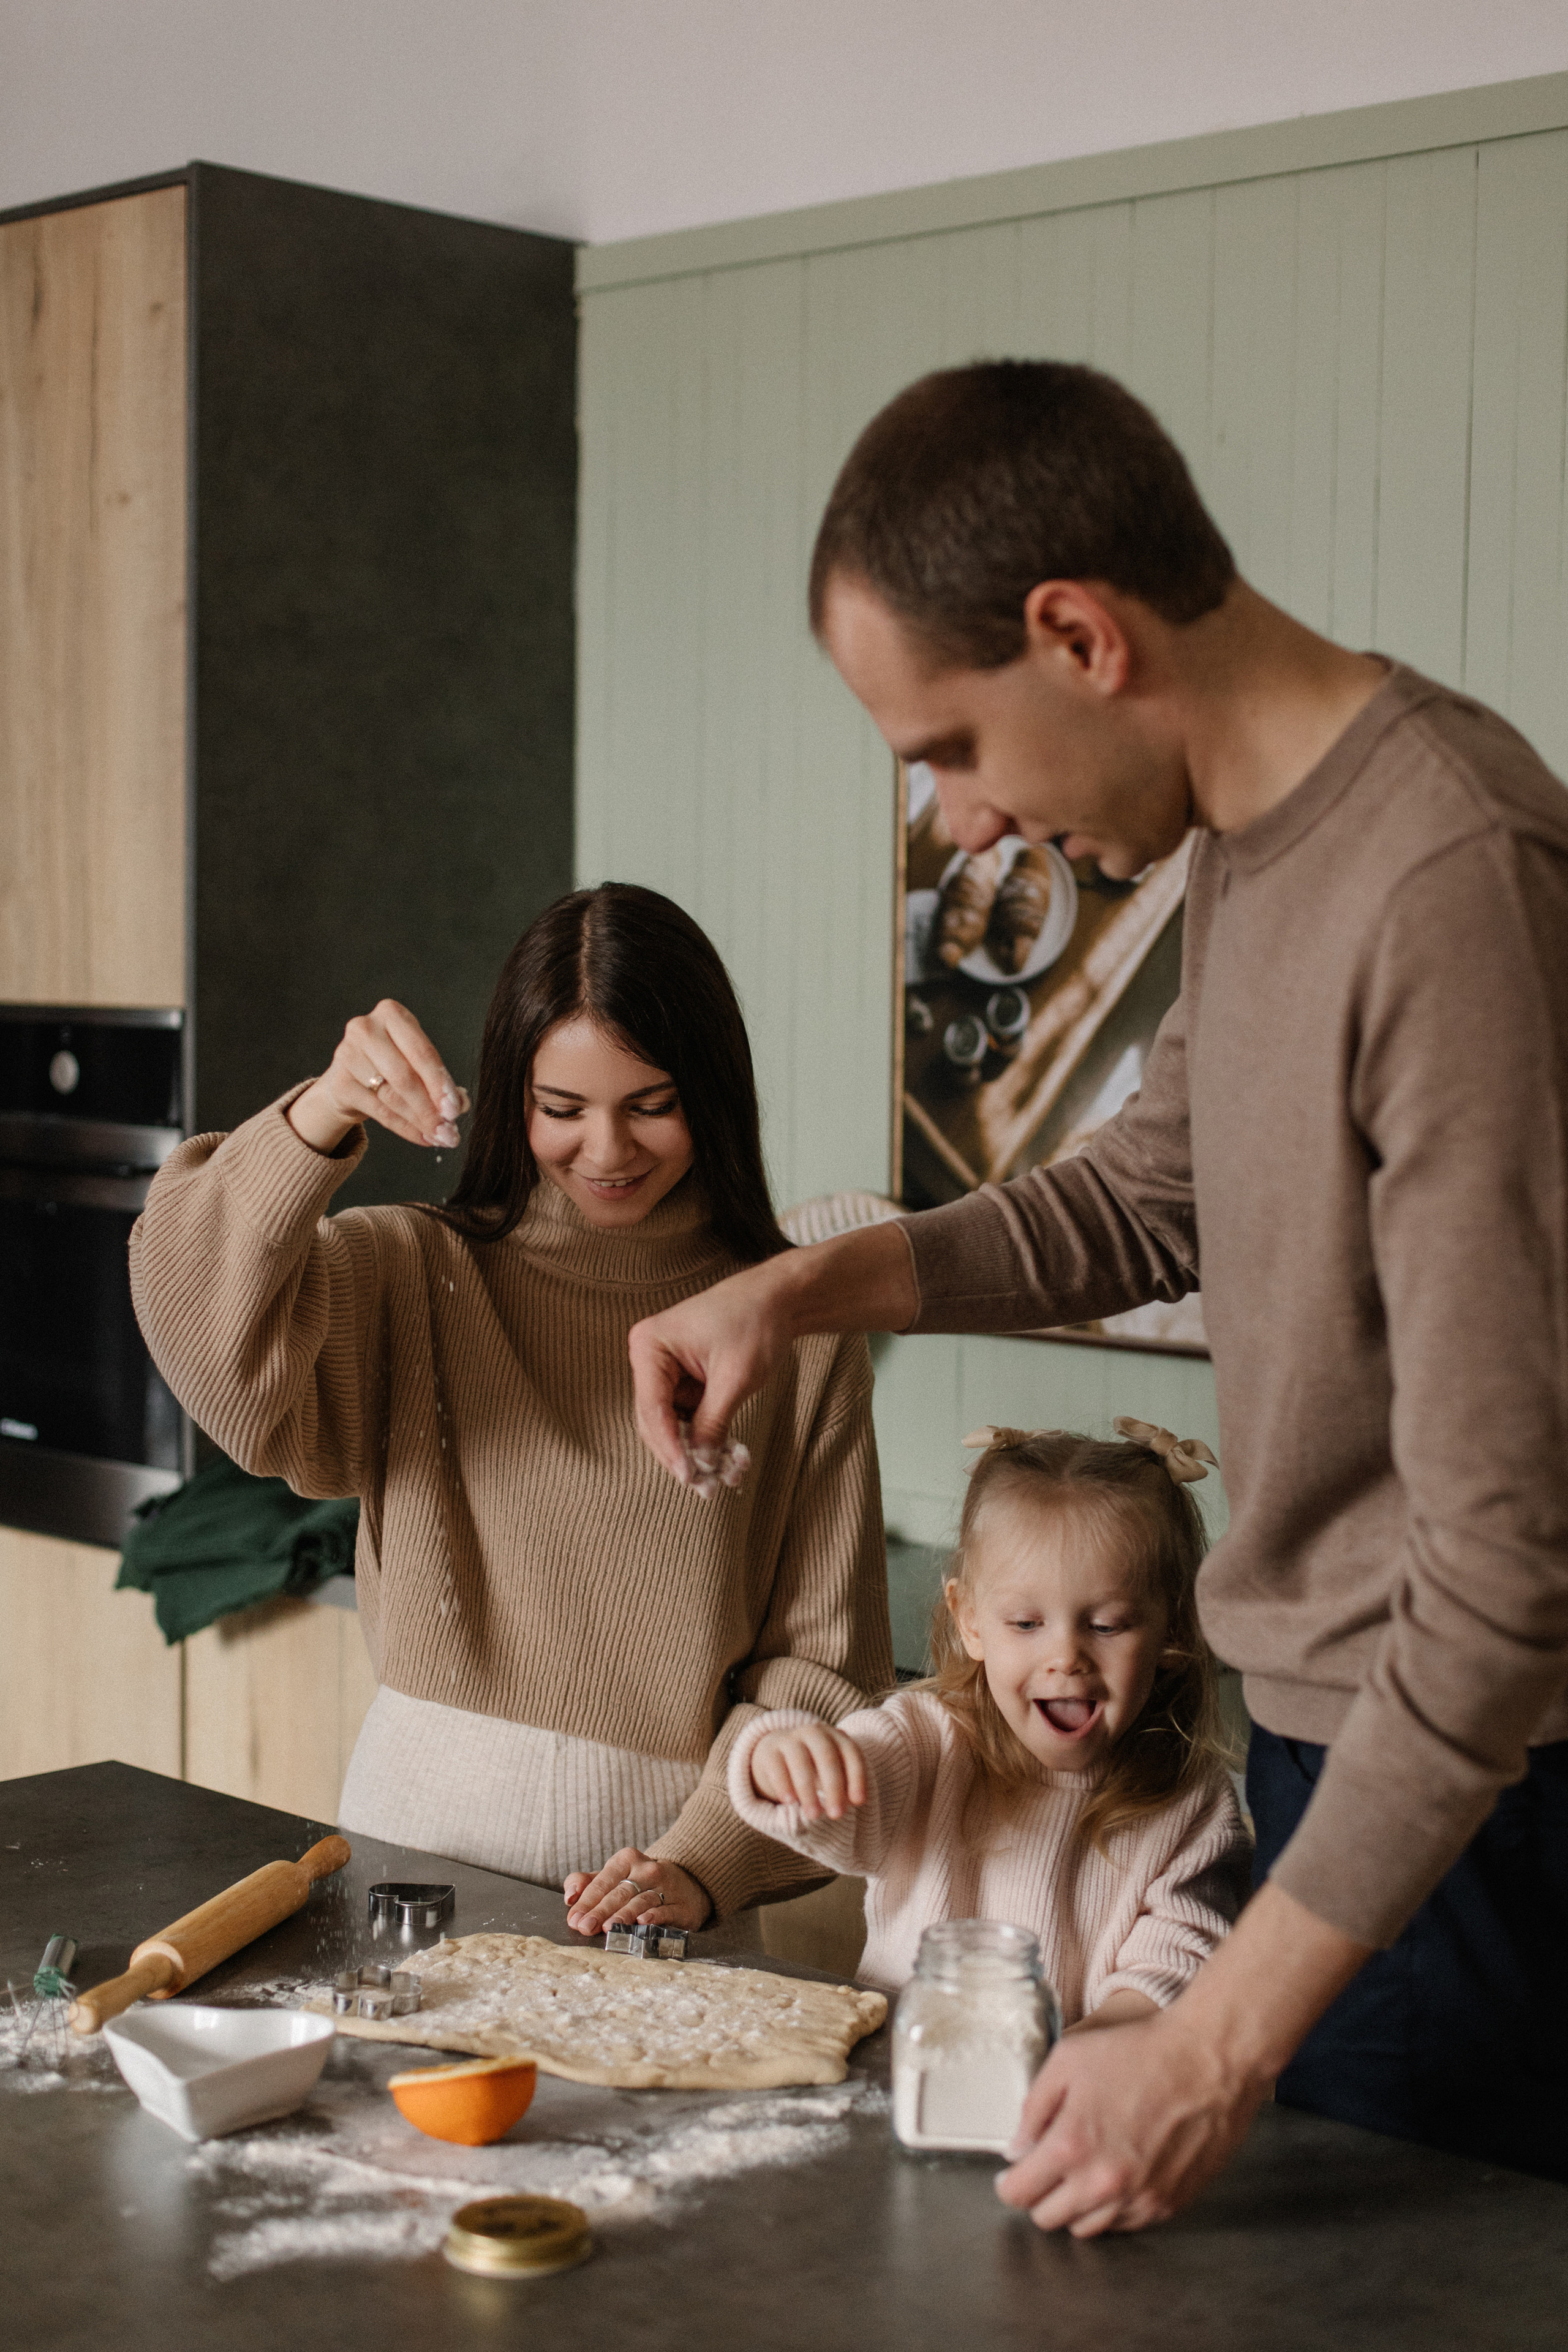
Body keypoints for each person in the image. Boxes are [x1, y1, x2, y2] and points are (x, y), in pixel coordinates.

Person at [627, 361, 1568, 2225]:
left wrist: (1213, 2036)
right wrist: (792, 1290)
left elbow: (1509, 1567)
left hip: (1470, 1816)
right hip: (1338, 1760)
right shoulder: (1255, 844)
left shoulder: (1450, 876)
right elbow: (1143, 1199)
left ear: (1079, 634)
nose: (958, 824)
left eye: (952, 747)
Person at [130, 883, 894, 1937]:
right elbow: (198, 1323)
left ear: (713, 1095)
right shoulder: (420, 1270)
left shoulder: (793, 1328)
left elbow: (824, 1670)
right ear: (510, 1097)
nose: (609, 1152)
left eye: (653, 1104)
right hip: (406, 1876)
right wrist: (317, 1117)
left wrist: (705, 1864)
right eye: (563, 1110)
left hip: (662, 1909)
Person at [729, 1423, 1248, 2015]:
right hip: (910, 2076)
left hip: (1074, 2094)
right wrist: (782, 1760)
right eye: (1026, 1624)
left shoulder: (1194, 1807)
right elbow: (842, 1813)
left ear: (1175, 1629)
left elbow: (1175, 1963)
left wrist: (1075, 2058)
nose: (1066, 1658)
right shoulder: (926, 1741)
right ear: (970, 1620)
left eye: (1106, 1625)